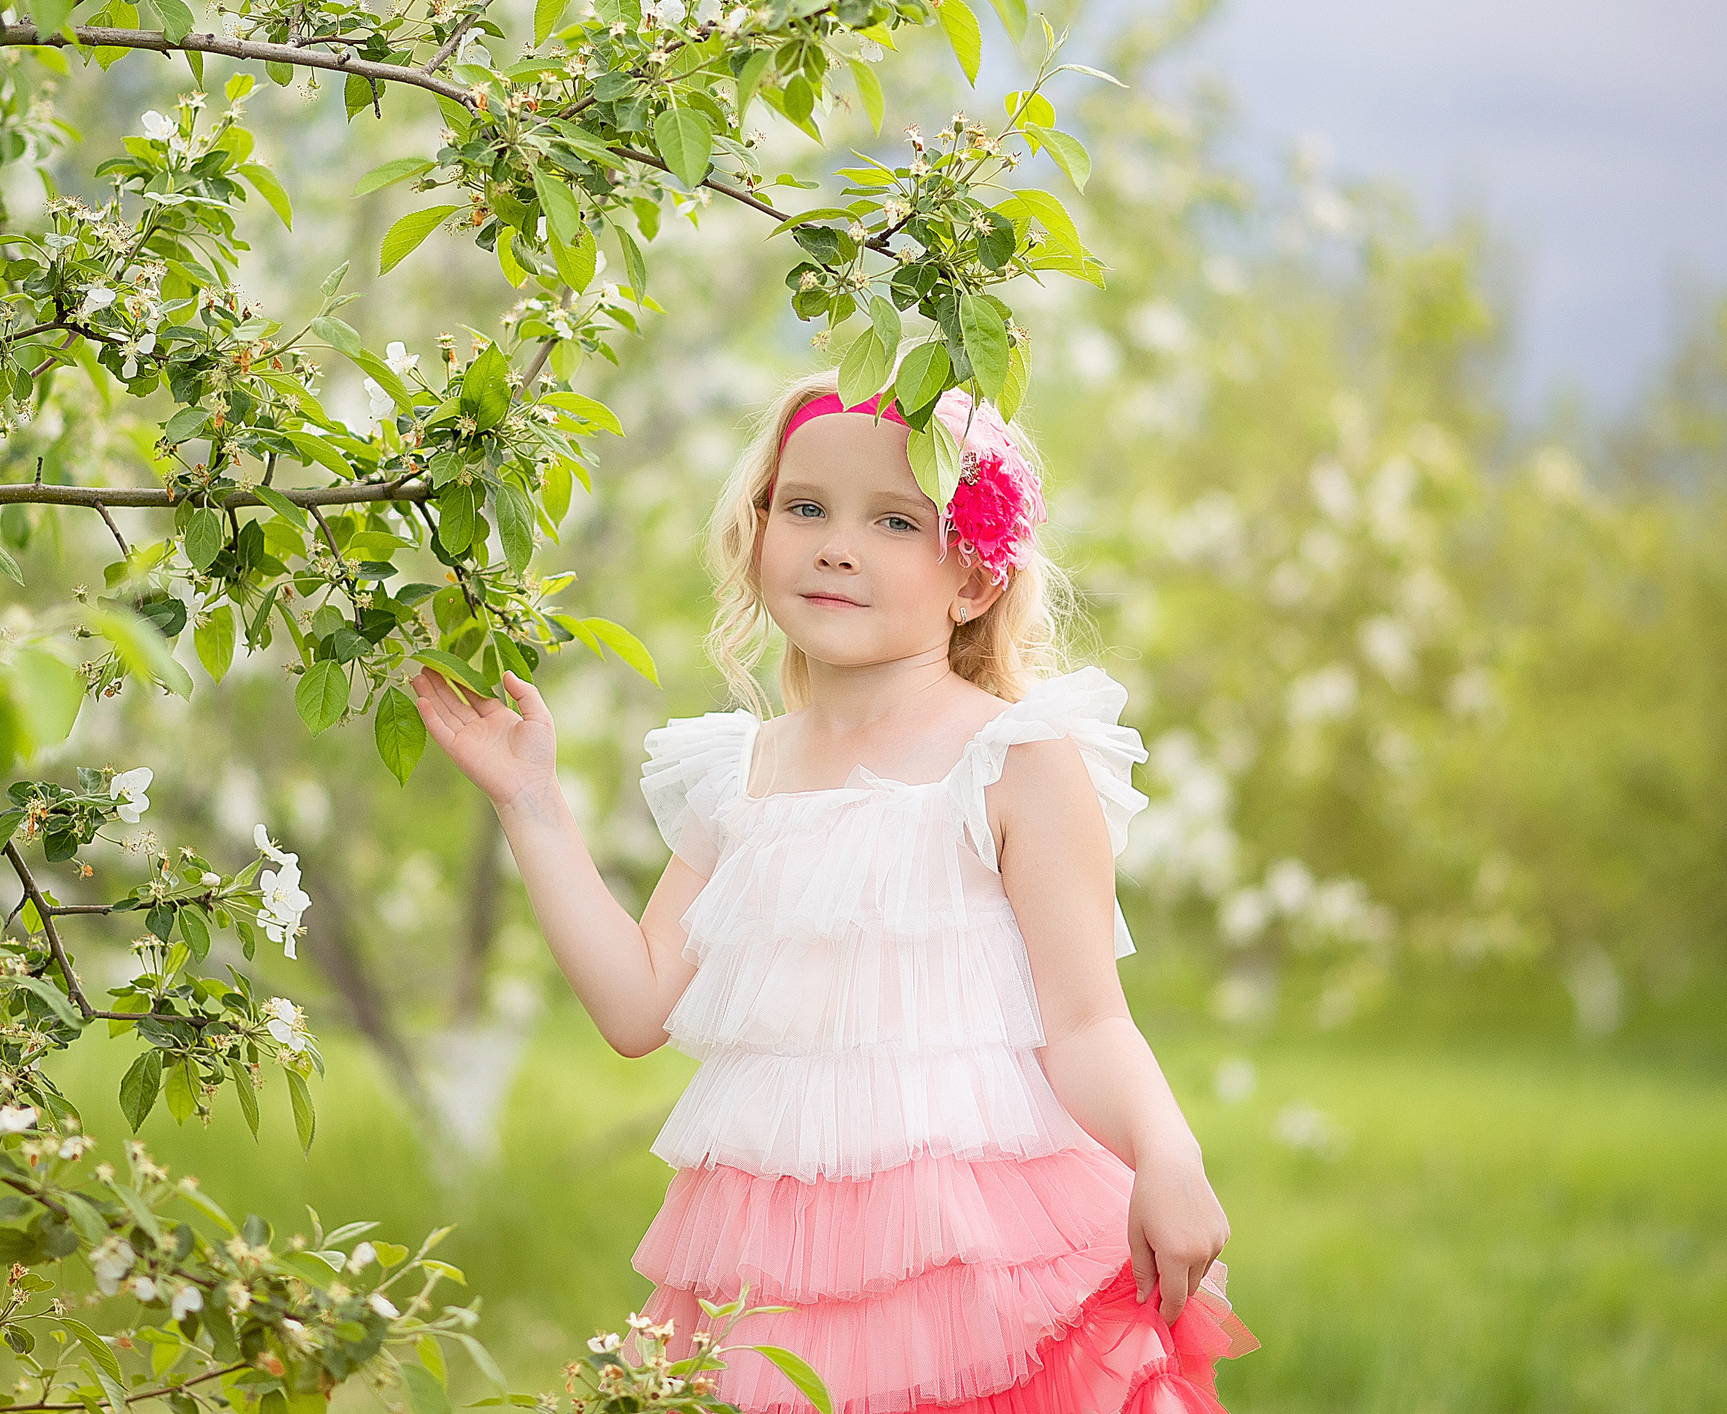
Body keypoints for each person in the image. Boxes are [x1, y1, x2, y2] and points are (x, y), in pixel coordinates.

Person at [410, 370, 1257, 1413]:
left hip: (970, 1255)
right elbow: (637, 1004)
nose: (835, 543)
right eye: (804, 506)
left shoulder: (1011, 758)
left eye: (895, 520)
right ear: (757, 529)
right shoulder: (743, 774)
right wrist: (530, 799)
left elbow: (1085, 1023)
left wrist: (1167, 1149)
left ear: (975, 579)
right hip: (774, 1272)